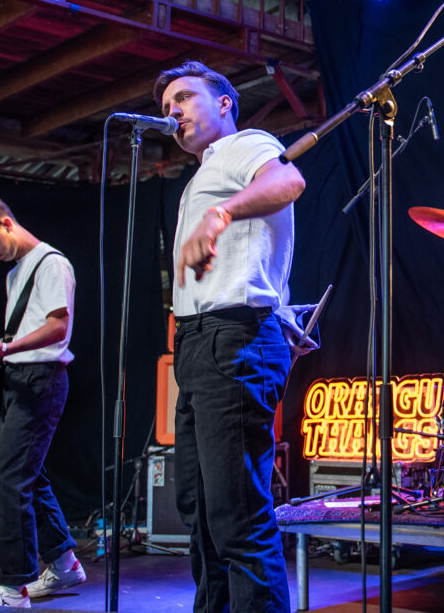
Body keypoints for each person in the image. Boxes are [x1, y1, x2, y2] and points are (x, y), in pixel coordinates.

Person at [154, 61, 305, 612]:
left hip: (233, 337)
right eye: (166, 106)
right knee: (200, 510)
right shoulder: (200, 174)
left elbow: (288, 181)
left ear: (224, 103)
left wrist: (221, 213)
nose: (172, 111)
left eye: (184, 98)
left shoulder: (246, 145)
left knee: (237, 514)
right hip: (199, 344)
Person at [0, 195, 85, 608]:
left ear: (7, 224)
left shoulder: (51, 264)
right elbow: (18, 339)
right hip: (20, 379)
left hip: (41, 381)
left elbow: (58, 327)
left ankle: (13, 588)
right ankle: (64, 563)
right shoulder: (15, 275)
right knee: (31, 477)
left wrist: (6, 350)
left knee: (6, 482)